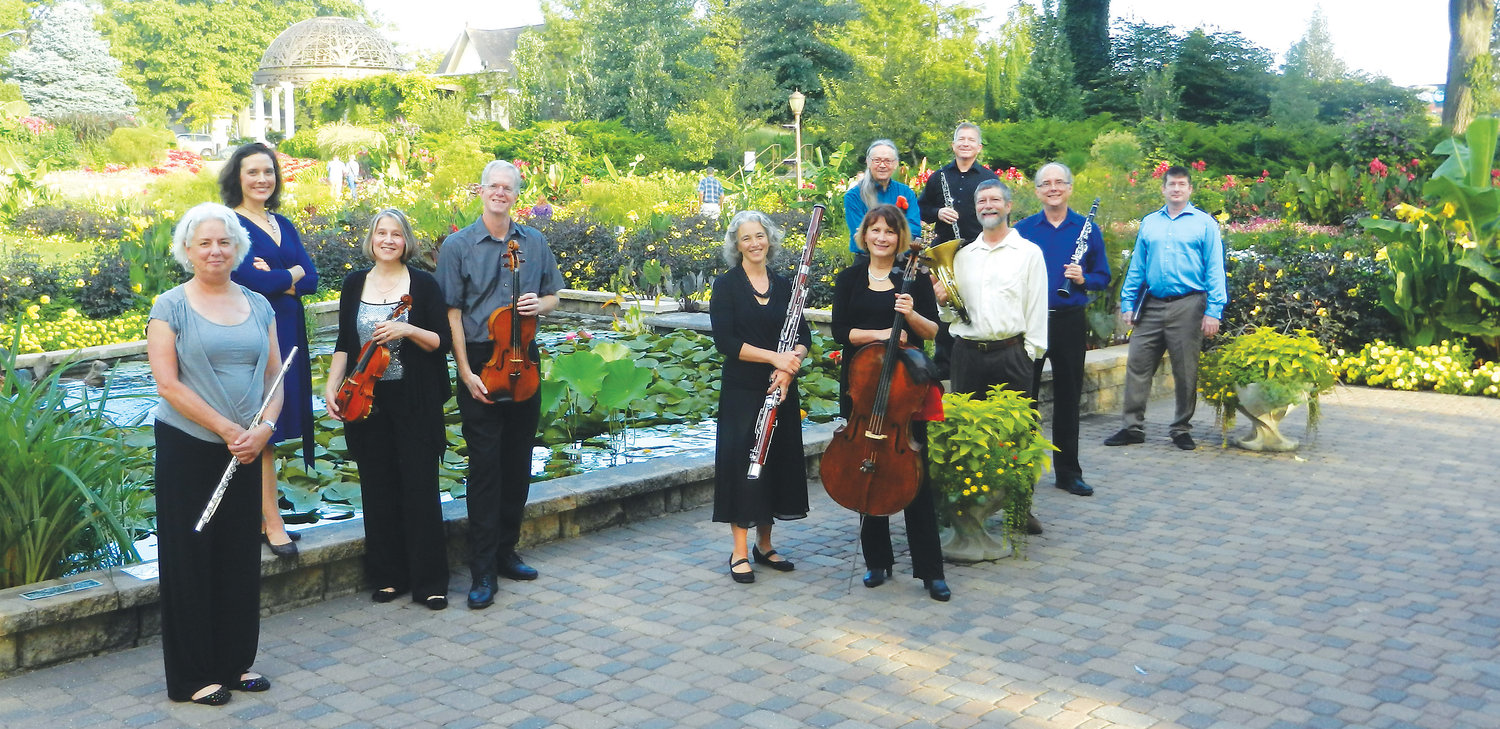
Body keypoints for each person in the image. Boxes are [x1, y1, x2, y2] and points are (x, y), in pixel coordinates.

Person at [147, 202, 282, 706]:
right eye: (204, 243)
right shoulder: (170, 306)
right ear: (188, 249)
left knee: (238, 556)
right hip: (190, 446)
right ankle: (192, 675)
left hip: (245, 449)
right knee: (191, 558)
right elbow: (167, 384)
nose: (215, 250)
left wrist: (264, 428)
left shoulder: (259, 304)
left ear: (238, 248)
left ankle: (234, 661)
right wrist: (228, 429)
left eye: (224, 242)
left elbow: (275, 377)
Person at [436, 160, 564, 610]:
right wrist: (464, 371)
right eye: (493, 186)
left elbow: (554, 295)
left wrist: (539, 305)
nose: (500, 193)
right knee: (485, 468)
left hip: (523, 359)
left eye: (508, 188)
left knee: (518, 460)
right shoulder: (458, 246)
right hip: (479, 361)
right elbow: (451, 312)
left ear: (516, 194)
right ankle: (482, 568)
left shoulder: (534, 241)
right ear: (481, 191)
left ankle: (507, 551)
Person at [324, 209, 452, 610]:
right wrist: (332, 386)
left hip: (415, 400)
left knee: (420, 488)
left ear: (406, 241)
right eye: (382, 233)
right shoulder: (354, 284)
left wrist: (407, 329)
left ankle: (430, 582)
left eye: (396, 234)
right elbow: (344, 343)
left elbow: (442, 341)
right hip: (367, 400)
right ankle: (388, 576)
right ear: (372, 239)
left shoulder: (424, 285)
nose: (388, 240)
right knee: (377, 488)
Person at [830, 205, 950, 602]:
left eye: (890, 231)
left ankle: (931, 571)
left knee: (916, 481)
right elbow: (840, 332)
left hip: (904, 394)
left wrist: (911, 315)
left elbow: (932, 332)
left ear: (900, 239)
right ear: (864, 235)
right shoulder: (849, 279)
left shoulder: (913, 278)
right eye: (875, 230)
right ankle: (877, 561)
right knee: (867, 470)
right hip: (862, 389)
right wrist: (883, 333)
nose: (882, 237)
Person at [932, 178, 1048, 536]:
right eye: (981, 201)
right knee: (967, 435)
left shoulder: (1028, 253)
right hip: (967, 354)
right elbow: (951, 315)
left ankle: (1019, 507)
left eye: (994, 199)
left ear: (1008, 206)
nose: (987, 206)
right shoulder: (963, 255)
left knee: (1017, 436)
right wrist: (942, 301)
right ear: (976, 209)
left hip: (1011, 354)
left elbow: (1037, 307)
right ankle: (968, 509)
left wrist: (1030, 356)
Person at [223, 142, 318, 559]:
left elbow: (312, 278)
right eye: (253, 172)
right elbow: (253, 283)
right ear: (237, 178)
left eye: (268, 171)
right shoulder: (230, 225)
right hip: (257, 330)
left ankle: (264, 517)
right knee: (262, 424)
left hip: (290, 329)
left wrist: (283, 275)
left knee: (274, 428)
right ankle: (272, 522)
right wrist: (290, 273)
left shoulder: (284, 224)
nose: (262, 179)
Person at [709, 210, 810, 584]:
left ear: (770, 240)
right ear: (737, 245)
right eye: (746, 238)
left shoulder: (785, 285)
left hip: (780, 387)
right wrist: (774, 358)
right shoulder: (727, 285)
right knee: (743, 464)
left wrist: (789, 367)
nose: (754, 243)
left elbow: (803, 336)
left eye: (760, 236)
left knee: (776, 461)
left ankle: (764, 545)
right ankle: (739, 551)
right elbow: (726, 341)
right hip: (743, 389)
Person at [1104, 166, 1227, 451]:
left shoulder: (1204, 224)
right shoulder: (1150, 223)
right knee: (1138, 364)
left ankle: (1181, 428)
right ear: (1163, 189)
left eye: (1182, 184)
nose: (1176, 189)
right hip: (1152, 305)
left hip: (1189, 305)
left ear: (1190, 189)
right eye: (1171, 184)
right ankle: (1132, 427)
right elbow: (1137, 266)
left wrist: (1214, 310)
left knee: (1185, 370)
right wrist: (1128, 302)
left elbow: (1214, 268)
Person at [1015, 162, 1111, 497]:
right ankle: (1023, 471)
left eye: (1059, 182)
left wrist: (1083, 278)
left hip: (1069, 320)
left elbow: (1103, 276)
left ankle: (1068, 473)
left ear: (1069, 188)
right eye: (1046, 183)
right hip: (1032, 321)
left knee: (1069, 398)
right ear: (1037, 191)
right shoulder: (1023, 229)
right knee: (1025, 398)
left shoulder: (1087, 228)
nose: (1053, 188)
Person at [917, 122, 1000, 380]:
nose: (965, 143)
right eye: (961, 139)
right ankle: (944, 365)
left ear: (979, 147)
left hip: (978, 250)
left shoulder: (989, 179)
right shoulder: (939, 177)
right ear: (953, 145)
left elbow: (999, 215)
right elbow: (921, 208)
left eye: (971, 140)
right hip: (945, 250)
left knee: (977, 304)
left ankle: (977, 360)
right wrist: (938, 212)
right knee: (945, 305)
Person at [843, 139, 921, 253]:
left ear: (895, 164)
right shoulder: (854, 196)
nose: (882, 165)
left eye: (888, 161)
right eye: (877, 160)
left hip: (900, 258)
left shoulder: (906, 192)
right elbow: (860, 235)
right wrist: (897, 232)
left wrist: (876, 233)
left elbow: (914, 230)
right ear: (868, 162)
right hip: (867, 259)